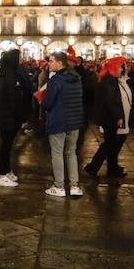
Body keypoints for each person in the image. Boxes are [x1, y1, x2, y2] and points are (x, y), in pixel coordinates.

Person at [42, 51, 84, 197]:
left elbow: (47, 103)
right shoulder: (77, 79)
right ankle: (74, 186)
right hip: (74, 121)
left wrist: (42, 99)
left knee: (57, 153)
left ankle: (59, 186)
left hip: (58, 121)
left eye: (52, 61)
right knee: (71, 152)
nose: (49, 63)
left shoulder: (55, 81)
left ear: (60, 63)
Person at [84, 56, 131, 178]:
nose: (122, 70)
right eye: (121, 67)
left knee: (111, 144)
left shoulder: (109, 79)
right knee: (110, 144)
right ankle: (94, 167)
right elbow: (111, 101)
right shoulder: (109, 81)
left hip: (107, 117)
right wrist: (118, 116)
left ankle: (110, 168)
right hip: (108, 118)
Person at [0, 49, 26, 187]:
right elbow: (10, 96)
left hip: (9, 114)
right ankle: (2, 174)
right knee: (5, 145)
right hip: (8, 115)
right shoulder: (7, 74)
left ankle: (7, 170)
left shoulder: (8, 72)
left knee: (8, 144)